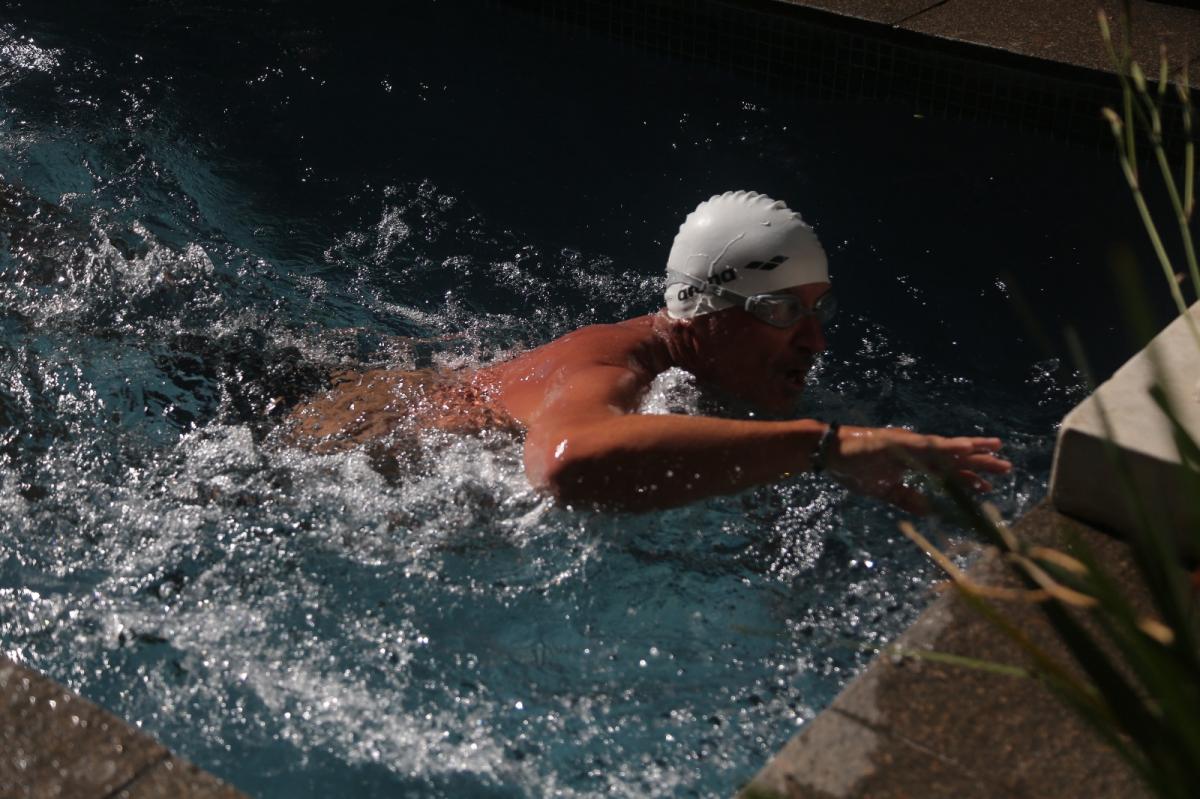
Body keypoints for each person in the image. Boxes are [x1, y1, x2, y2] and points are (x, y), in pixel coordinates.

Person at [286, 190, 1011, 511]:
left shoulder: (683, 365)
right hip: (304, 456)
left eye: (818, 310)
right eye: (786, 311)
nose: (814, 340)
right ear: (705, 311)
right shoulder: (613, 367)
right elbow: (567, 465)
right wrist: (826, 448)